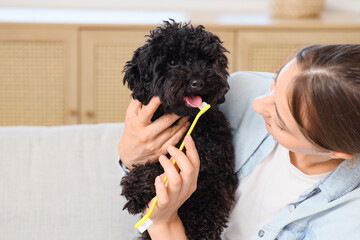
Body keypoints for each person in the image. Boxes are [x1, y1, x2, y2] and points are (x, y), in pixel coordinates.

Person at [118, 44, 360, 239]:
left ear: (338, 151)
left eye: (280, 121)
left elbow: (156, 220)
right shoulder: (243, 88)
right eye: (274, 84)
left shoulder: (348, 223)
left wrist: (164, 222)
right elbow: (143, 162)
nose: (256, 104)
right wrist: (130, 156)